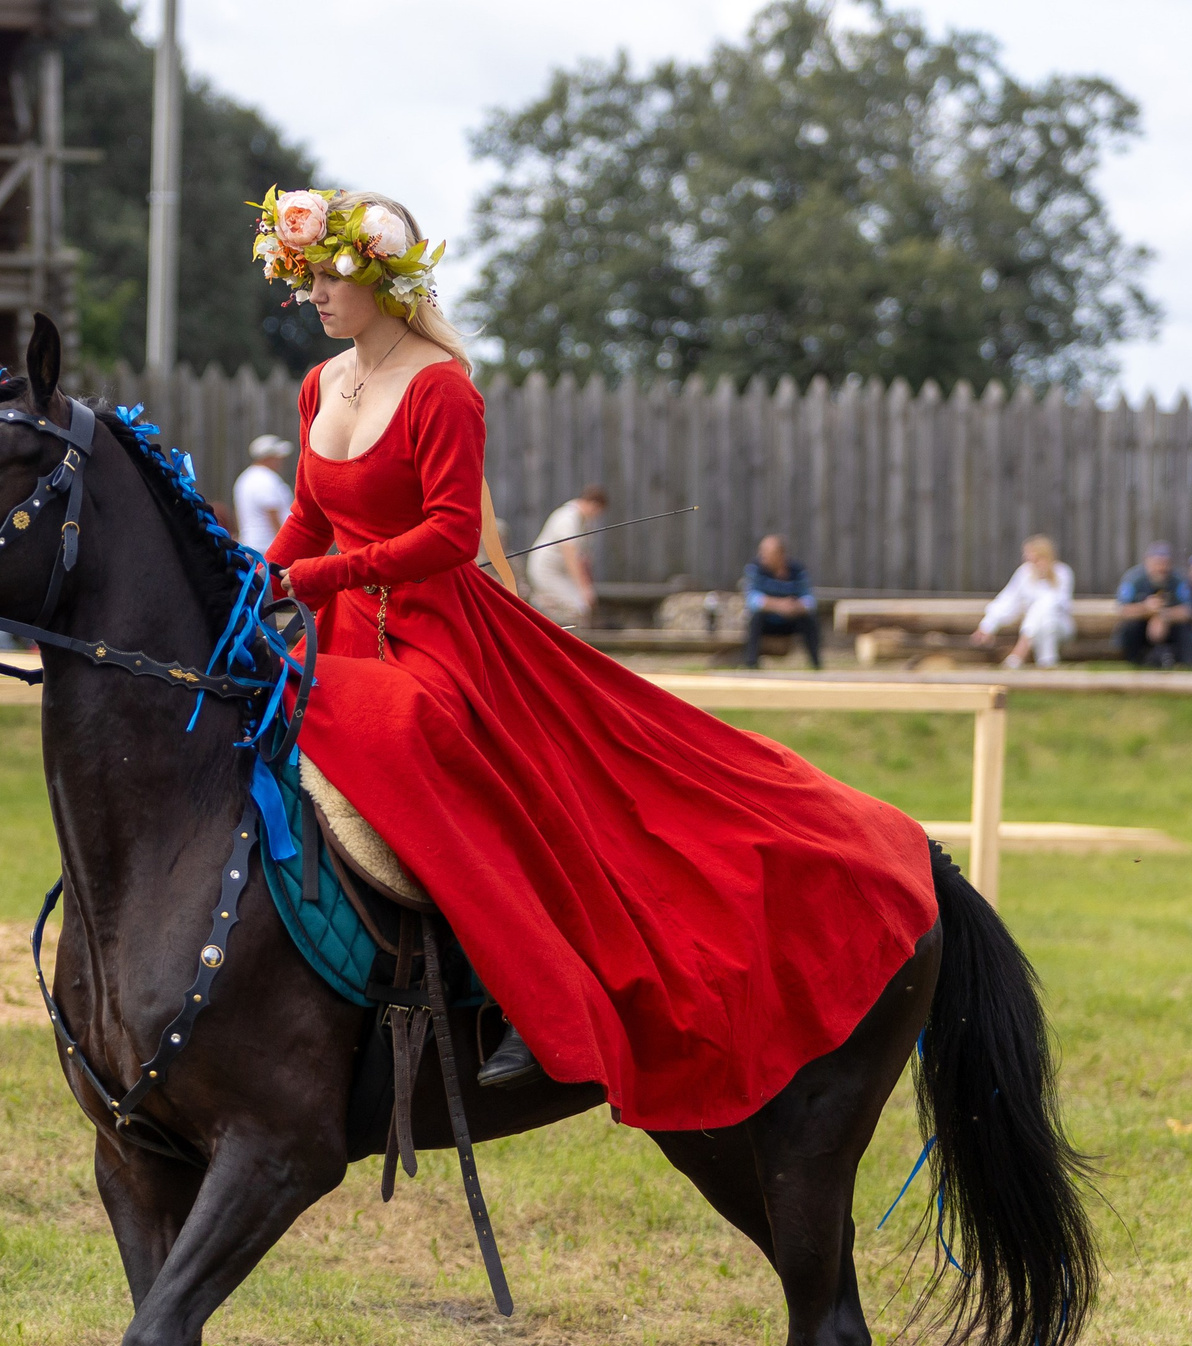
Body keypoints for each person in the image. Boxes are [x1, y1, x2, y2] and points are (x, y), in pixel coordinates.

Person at [254, 186, 932, 1119]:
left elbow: (453, 534)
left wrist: (328, 577)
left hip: (437, 635)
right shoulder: (318, 386)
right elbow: (305, 518)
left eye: (330, 274)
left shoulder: (442, 389)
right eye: (305, 276)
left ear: (385, 281)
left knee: (410, 731)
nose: (315, 294)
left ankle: (526, 991)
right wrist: (255, 576)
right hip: (340, 631)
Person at [971, 535, 1075, 668]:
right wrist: (987, 625)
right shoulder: (1024, 573)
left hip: (1061, 627)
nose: (1027, 558)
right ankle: (1047, 664)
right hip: (1040, 626)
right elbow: (1008, 599)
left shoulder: (1062, 573)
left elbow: (1061, 604)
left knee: (1047, 604)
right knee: (1045, 619)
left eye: (1033, 555)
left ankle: (1019, 653)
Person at [524, 485, 606, 629]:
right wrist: (583, 588)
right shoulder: (567, 517)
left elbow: (584, 559)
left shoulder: (584, 522)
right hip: (547, 571)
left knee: (582, 605)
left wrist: (588, 586)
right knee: (576, 607)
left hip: (562, 572)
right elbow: (570, 556)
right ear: (593, 505)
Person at [740, 534, 820, 669]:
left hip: (791, 619)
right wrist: (778, 605)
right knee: (755, 619)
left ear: (780, 554)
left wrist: (796, 606)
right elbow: (751, 599)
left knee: (810, 620)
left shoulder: (798, 571)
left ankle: (816, 664)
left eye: (766, 553)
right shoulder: (755, 570)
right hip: (768, 620)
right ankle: (751, 664)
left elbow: (810, 600)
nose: (761, 555)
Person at [1113, 541, 1187, 668]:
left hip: (1168, 629)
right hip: (1140, 629)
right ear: (1147, 562)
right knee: (1130, 627)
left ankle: (1180, 660)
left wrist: (1163, 615)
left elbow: (1188, 610)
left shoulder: (1178, 579)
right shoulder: (1133, 578)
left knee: (1184, 628)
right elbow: (1122, 610)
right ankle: (1134, 661)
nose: (1161, 568)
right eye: (1157, 563)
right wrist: (1146, 609)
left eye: (1165, 563)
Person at [233, 436, 294, 556]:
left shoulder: (246, 477)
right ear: (268, 457)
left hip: (252, 545)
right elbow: (272, 513)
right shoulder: (266, 479)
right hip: (267, 548)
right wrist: (286, 547)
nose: (280, 461)